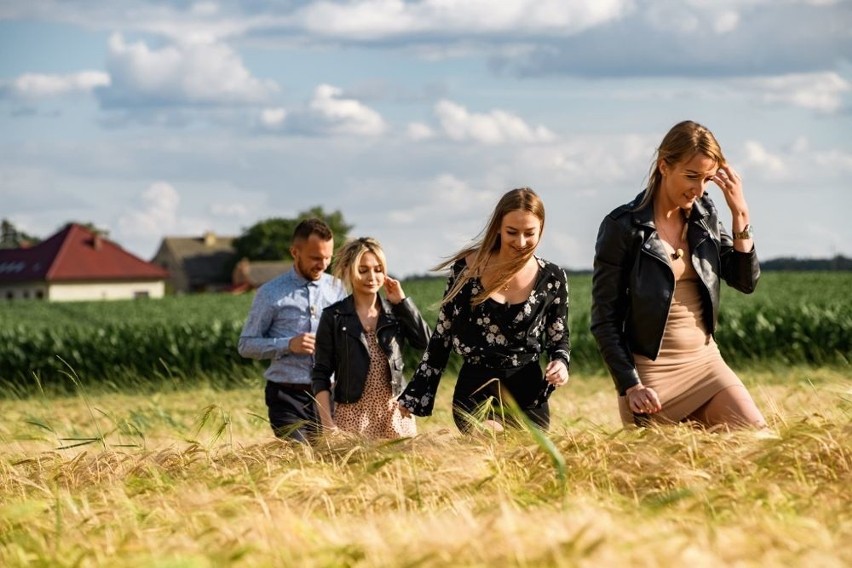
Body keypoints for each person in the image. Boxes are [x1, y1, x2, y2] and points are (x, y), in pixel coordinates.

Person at [591, 120, 767, 430]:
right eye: (691, 176)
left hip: (706, 365)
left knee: (759, 441)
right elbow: (604, 319)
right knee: (664, 478)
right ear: (664, 166)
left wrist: (741, 214)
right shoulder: (622, 227)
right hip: (650, 378)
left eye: (707, 179)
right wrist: (631, 385)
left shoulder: (705, 215)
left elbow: (744, 281)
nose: (699, 189)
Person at [397, 187, 570, 433]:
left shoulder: (553, 277)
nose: (521, 242)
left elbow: (559, 336)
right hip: (476, 388)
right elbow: (443, 335)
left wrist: (560, 363)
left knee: (528, 462)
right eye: (512, 232)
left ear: (541, 230)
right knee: (489, 436)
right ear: (498, 227)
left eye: (530, 233)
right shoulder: (467, 269)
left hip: (528, 390)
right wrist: (416, 392)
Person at [311, 237, 431, 439]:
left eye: (378, 269)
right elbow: (320, 374)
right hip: (352, 417)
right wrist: (327, 425)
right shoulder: (333, 316)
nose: (372, 277)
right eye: (363, 269)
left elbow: (427, 344)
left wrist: (403, 303)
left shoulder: (396, 313)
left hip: (396, 414)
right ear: (349, 270)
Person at [238, 218, 346, 442]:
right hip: (287, 396)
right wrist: (288, 344)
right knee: (300, 458)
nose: (323, 264)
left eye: (328, 257)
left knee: (331, 463)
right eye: (315, 258)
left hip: (330, 395)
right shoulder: (269, 293)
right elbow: (246, 345)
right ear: (294, 252)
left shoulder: (337, 289)